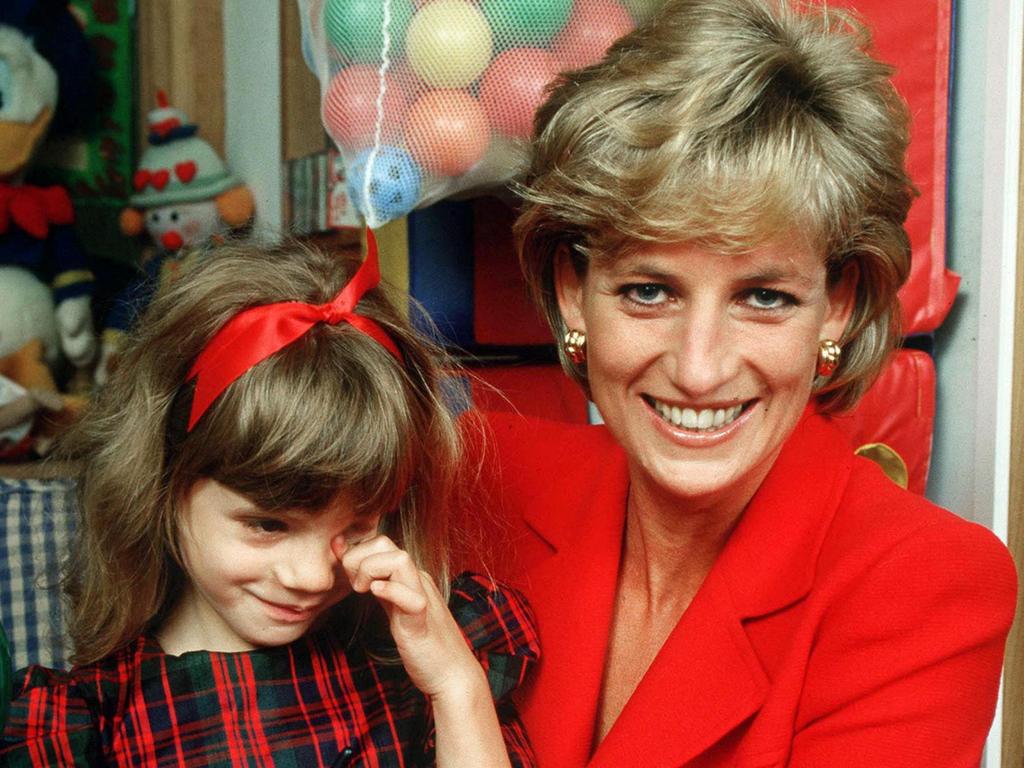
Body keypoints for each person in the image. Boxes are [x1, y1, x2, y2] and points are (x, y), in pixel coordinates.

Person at [459, 0, 1018, 765]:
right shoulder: (484, 475)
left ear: (839, 305)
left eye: (764, 297)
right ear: (570, 290)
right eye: (648, 291)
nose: (699, 368)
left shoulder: (924, 584)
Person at [0, 233, 538, 767]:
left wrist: (454, 687)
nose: (312, 577)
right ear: (164, 483)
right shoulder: (92, 725)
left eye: (358, 527)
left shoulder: (417, 663)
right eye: (268, 524)